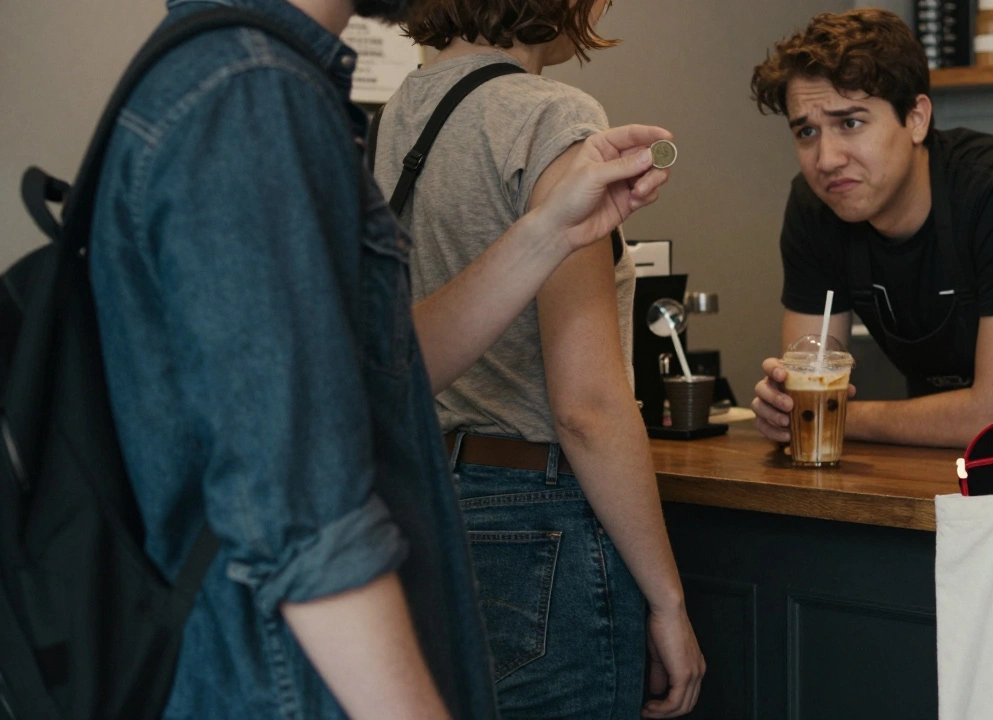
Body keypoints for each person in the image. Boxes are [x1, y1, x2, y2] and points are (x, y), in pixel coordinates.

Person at [89, 0, 673, 717]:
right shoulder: (252, 92)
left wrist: (548, 233)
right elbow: (302, 510)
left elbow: (380, 368)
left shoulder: (298, 86)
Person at [373, 1, 705, 718]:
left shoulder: (402, 110)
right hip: (540, 522)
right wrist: (668, 601)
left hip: (432, 501)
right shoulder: (552, 115)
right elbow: (586, 405)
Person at [748, 9, 993, 449]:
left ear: (916, 118)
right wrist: (785, 407)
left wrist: (830, 414)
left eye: (850, 123)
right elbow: (804, 381)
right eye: (806, 132)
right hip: (944, 457)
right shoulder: (815, 207)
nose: (826, 158)